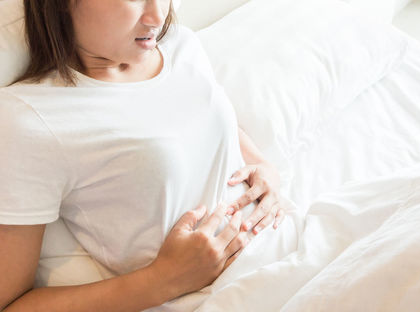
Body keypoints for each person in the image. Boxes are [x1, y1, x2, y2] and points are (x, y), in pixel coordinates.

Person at [0, 0, 286, 310]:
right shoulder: (30, 118)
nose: (157, 15)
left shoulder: (180, 43)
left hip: (289, 243)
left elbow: (203, 120)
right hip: (227, 296)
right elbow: (12, 302)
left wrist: (262, 165)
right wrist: (164, 278)